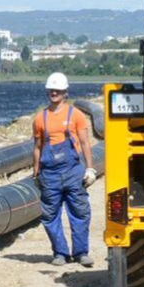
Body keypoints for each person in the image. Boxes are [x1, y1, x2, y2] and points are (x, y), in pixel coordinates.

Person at [32, 72, 97, 267]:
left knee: (79, 212)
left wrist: (91, 169)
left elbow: (85, 142)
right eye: (51, 90)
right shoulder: (40, 118)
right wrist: (36, 173)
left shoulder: (76, 115)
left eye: (58, 90)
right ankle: (60, 253)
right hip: (49, 174)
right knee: (50, 215)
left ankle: (81, 252)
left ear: (65, 92)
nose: (54, 93)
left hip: (73, 171)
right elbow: (37, 148)